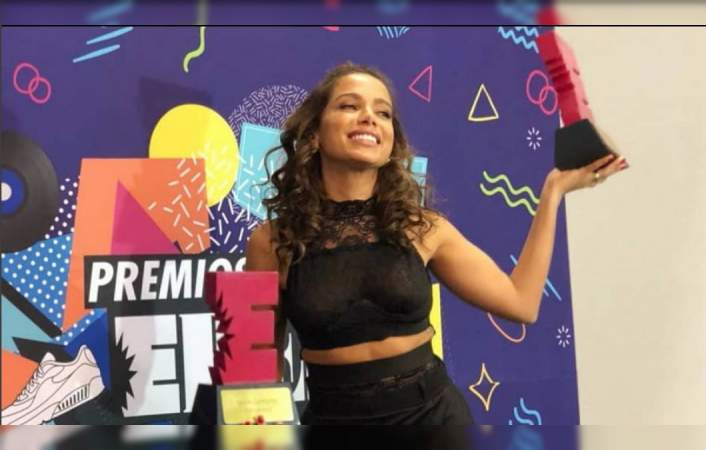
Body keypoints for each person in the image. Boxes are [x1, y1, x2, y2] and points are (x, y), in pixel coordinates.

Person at [245, 61, 628, 425]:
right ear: (314, 134)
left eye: (383, 113)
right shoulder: (271, 242)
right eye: (349, 105)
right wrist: (256, 436)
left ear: (391, 141)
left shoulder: (423, 228)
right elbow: (257, 369)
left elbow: (521, 302)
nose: (369, 118)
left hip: (434, 423)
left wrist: (552, 193)